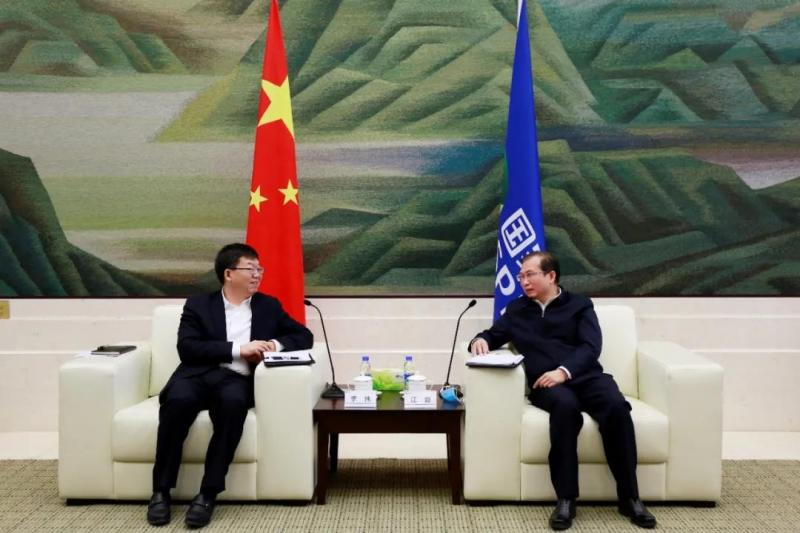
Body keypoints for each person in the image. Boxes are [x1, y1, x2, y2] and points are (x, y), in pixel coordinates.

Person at [470, 251, 656, 531]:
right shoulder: (517, 310)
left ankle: (630, 498)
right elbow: (494, 334)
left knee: (616, 408)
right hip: (545, 384)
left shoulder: (580, 305)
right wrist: (480, 339)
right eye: (521, 276)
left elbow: (591, 347)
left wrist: (564, 371)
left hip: (586, 377)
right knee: (566, 409)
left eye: (529, 275)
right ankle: (566, 499)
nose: (523, 281)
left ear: (551, 276)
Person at [147, 243, 313, 528]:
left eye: (259, 269)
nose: (257, 275)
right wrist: (238, 349)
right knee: (177, 403)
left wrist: (274, 345)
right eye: (251, 268)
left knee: (233, 406)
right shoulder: (198, 305)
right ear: (228, 273)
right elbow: (187, 348)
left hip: (235, 379)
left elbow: (303, 336)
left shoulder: (268, 306)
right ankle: (160, 492)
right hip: (195, 375)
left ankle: (207, 494)